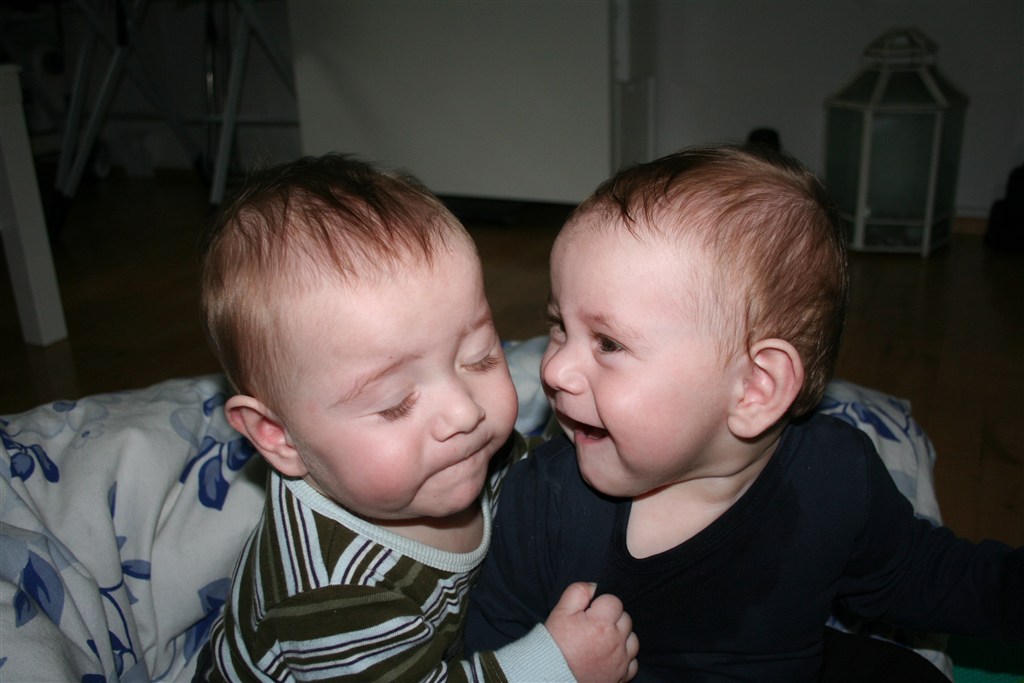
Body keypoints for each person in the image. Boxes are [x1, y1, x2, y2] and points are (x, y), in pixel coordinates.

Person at [465, 145, 1023, 681]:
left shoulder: (835, 474)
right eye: (559, 326)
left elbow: (920, 574)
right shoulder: (539, 502)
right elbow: (490, 653)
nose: (555, 369)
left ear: (756, 389)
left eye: (608, 343)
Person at [192, 154, 639, 682]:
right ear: (279, 436)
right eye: (395, 404)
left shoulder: (467, 454)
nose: (464, 412)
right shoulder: (329, 597)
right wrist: (554, 667)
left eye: (480, 358)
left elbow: (540, 475)